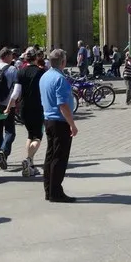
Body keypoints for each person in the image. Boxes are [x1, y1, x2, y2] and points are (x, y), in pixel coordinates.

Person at [40, 49, 78, 202]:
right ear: (62, 62)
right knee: (59, 158)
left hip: (48, 120)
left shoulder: (45, 76)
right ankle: (56, 192)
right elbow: (63, 105)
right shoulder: (60, 79)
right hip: (60, 122)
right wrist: (72, 125)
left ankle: (49, 189)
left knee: (50, 156)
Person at [5, 47, 46, 178]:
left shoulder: (20, 72)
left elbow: (16, 93)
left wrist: (9, 106)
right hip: (37, 108)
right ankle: (28, 159)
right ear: (36, 58)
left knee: (30, 135)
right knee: (38, 137)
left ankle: (31, 166)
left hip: (24, 108)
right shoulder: (41, 72)